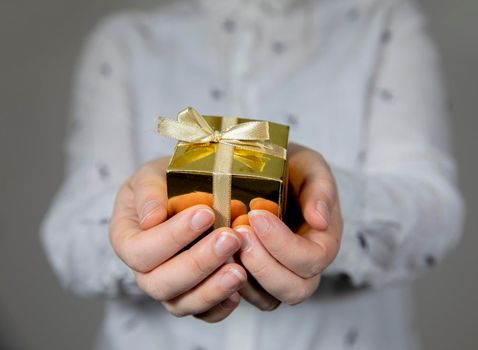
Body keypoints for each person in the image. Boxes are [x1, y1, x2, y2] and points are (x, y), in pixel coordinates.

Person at [41, 0, 464, 349]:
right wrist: (140, 216)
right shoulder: (125, 43)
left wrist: (323, 202)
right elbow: (69, 238)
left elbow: (434, 210)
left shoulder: (383, 22)